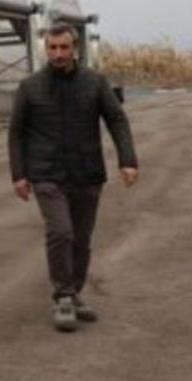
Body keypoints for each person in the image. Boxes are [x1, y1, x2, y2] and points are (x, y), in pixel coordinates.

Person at [9, 24, 139, 332]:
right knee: (61, 232)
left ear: (75, 49)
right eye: (52, 47)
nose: (58, 53)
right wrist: (19, 174)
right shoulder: (30, 87)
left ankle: (74, 292)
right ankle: (64, 297)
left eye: (64, 47)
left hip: (86, 172)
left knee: (81, 239)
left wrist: (128, 160)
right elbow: (16, 133)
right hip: (46, 173)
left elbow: (116, 120)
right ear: (46, 49)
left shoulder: (95, 83)